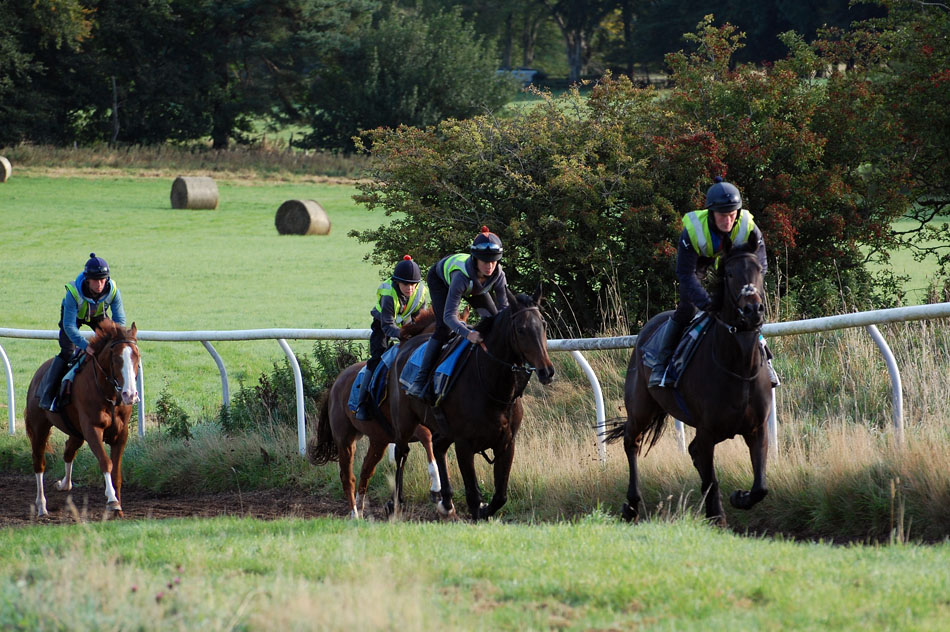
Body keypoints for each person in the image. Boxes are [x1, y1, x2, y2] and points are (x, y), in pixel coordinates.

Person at [648, 177, 770, 388]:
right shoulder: (693, 231)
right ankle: (662, 363)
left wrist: (748, 290)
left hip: (735, 265)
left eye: (732, 215)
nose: (728, 221)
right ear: (711, 213)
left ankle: (766, 361)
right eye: (722, 215)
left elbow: (761, 265)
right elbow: (685, 274)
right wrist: (706, 303)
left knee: (750, 308)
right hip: (700, 263)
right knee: (688, 307)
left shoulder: (749, 227)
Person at [404, 226, 509, 401]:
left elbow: (504, 310)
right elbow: (449, 316)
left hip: (475, 287)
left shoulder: (499, 275)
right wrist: (468, 334)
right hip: (441, 281)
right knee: (444, 328)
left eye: (493, 261)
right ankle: (420, 380)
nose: (489, 266)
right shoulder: (460, 276)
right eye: (484, 261)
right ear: (475, 259)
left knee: (493, 320)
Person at [38, 253, 127, 411]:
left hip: (98, 316)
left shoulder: (113, 291)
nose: (100, 284)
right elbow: (70, 327)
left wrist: (113, 339)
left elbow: (119, 322)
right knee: (67, 352)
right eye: (95, 280)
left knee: (111, 348)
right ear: (87, 279)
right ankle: (48, 394)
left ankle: (118, 392)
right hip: (74, 318)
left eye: (103, 280)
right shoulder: (73, 292)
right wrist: (85, 345)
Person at [367, 255, 429, 375]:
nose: (410, 288)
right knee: (377, 357)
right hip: (382, 325)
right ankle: (365, 392)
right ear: (397, 282)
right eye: (405, 284)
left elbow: (420, 320)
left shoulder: (421, 292)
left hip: (404, 324)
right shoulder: (389, 295)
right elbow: (387, 325)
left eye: (413, 284)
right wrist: (403, 333)